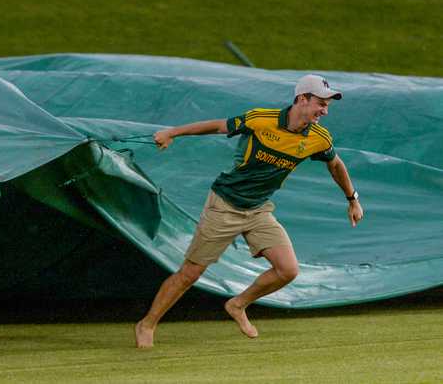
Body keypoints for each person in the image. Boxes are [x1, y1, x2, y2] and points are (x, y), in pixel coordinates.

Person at [135, 74, 364, 348]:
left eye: (327, 106)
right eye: (321, 103)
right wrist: (172, 133)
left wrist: (352, 198)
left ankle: (238, 304)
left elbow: (336, 165)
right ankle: (146, 324)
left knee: (288, 270)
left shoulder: (319, 138)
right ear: (302, 99)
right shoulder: (260, 119)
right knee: (190, 274)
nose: (324, 111)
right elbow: (217, 126)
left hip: (259, 210)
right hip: (225, 205)